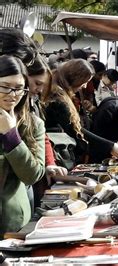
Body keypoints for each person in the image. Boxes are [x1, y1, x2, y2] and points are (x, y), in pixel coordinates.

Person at [42, 59, 118, 165]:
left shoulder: (59, 93)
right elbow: (76, 131)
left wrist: (112, 144)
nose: (84, 86)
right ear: (75, 78)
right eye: (84, 82)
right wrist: (111, 146)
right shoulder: (58, 99)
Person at [0, 55, 45, 238]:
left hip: (12, 221)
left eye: (18, 89)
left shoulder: (33, 124)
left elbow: (33, 174)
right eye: (5, 87)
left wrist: (11, 135)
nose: (12, 95)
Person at [27, 56, 68, 207]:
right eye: (37, 83)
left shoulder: (34, 102)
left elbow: (41, 136)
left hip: (33, 176)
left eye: (42, 86)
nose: (38, 90)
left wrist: (49, 163)